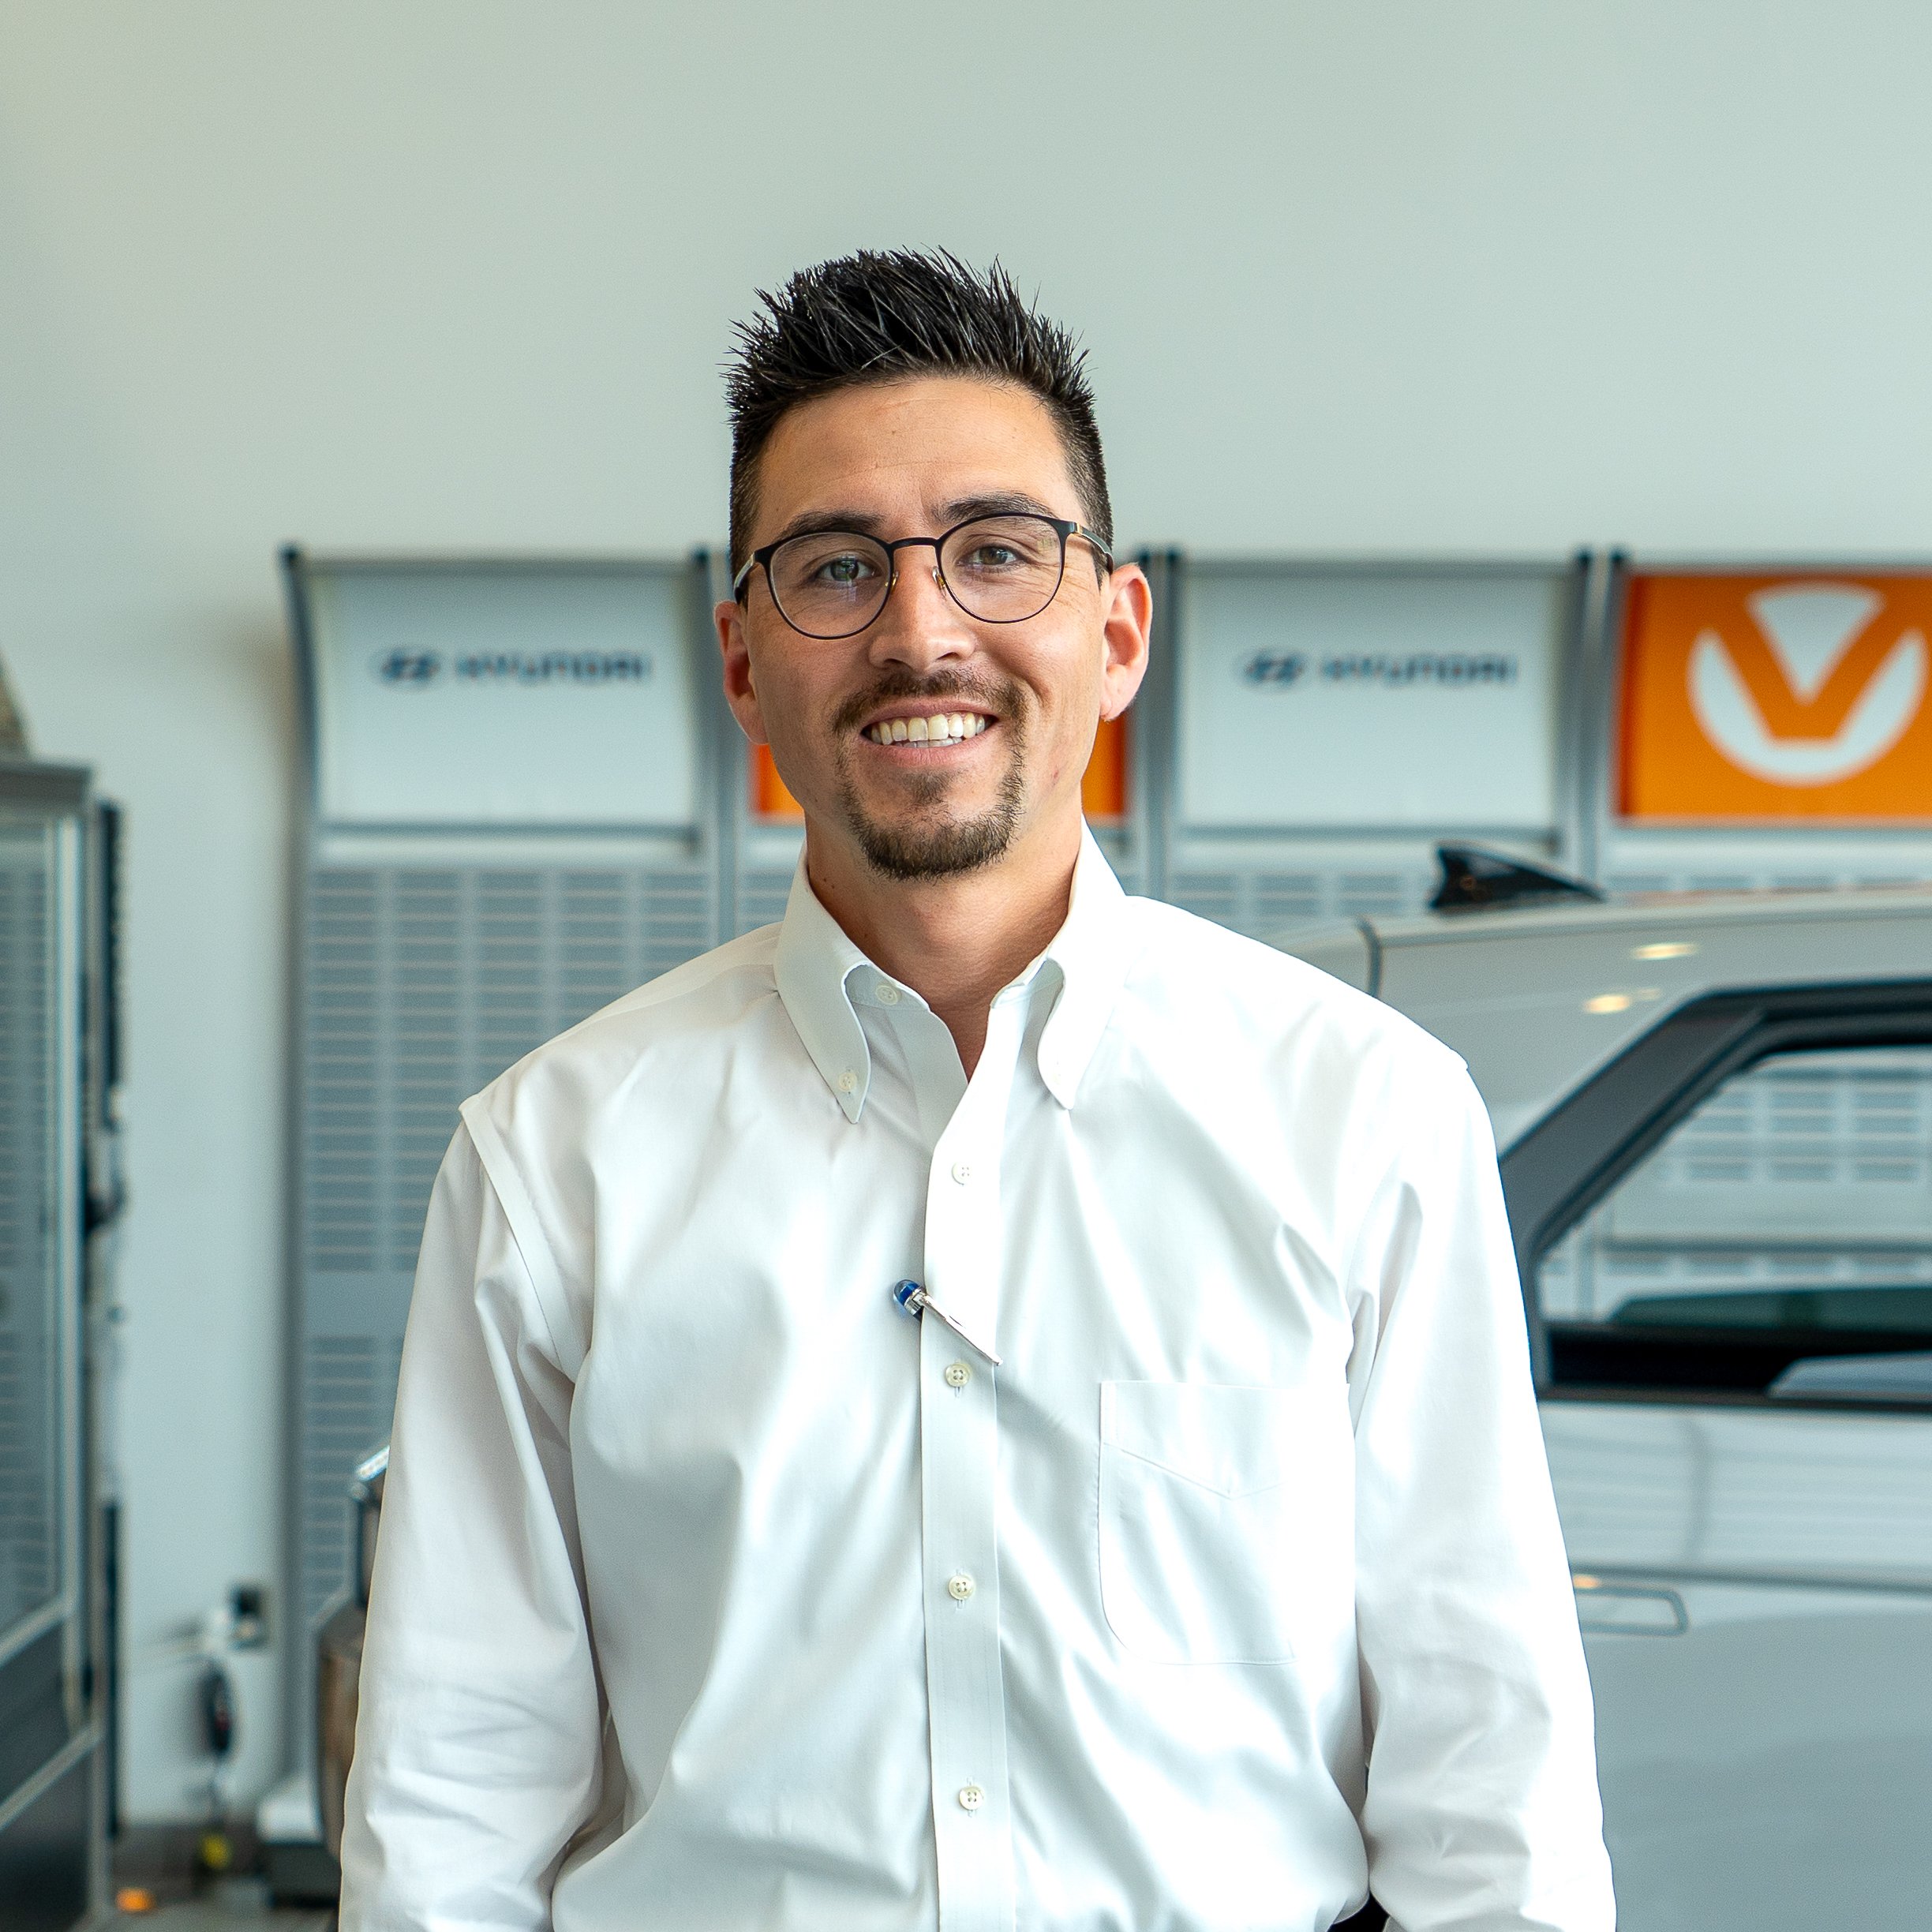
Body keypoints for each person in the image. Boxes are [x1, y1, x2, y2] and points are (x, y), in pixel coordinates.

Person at [340, 249, 1615, 1932]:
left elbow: (1488, 1777)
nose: (923, 630)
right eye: (837, 568)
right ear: (742, 659)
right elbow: (452, 1795)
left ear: (1119, 626)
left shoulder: (1363, 1117)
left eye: (999, 552)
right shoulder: (557, 1159)